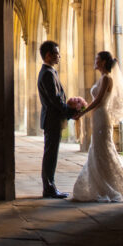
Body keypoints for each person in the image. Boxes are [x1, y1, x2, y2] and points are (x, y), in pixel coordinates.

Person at [71, 51, 123, 202]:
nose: (95, 61)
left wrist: (82, 112)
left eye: (97, 59)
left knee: (103, 150)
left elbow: (99, 100)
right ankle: (101, 181)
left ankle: (107, 185)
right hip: (98, 117)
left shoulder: (107, 79)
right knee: (99, 150)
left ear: (104, 62)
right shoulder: (102, 78)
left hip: (102, 116)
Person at [37, 40, 77, 199]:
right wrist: (70, 111)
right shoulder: (47, 73)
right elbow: (55, 99)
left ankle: (50, 186)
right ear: (48, 55)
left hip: (53, 119)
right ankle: (49, 187)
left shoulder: (50, 72)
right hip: (52, 119)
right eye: (56, 53)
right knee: (50, 154)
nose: (59, 56)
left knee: (51, 153)